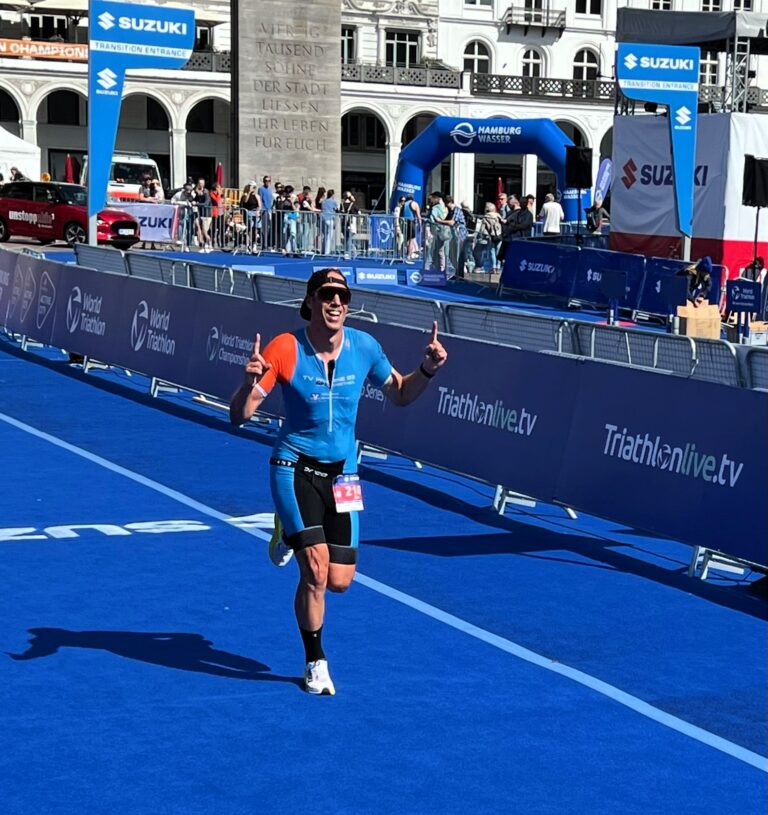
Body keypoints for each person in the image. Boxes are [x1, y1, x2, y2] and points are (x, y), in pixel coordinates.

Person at [229, 269, 448, 695]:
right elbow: (240, 416)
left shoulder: (364, 347)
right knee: (314, 570)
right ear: (310, 301)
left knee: (339, 580)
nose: (336, 303)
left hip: (343, 474)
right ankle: (315, 661)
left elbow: (402, 393)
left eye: (342, 296)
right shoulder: (285, 348)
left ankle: (287, 532)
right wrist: (247, 384)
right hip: (294, 467)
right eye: (327, 295)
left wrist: (428, 369)